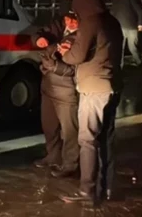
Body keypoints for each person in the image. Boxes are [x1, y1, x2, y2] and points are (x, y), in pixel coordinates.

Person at [57, 0, 123, 205]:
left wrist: (64, 52)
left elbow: (77, 56)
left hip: (94, 88)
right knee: (106, 139)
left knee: (87, 140)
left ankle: (87, 191)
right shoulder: (112, 22)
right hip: (113, 86)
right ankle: (107, 188)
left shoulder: (90, 22)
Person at [33, 12, 79, 179]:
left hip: (67, 90)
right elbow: (39, 34)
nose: (71, 23)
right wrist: (39, 39)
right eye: (68, 19)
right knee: (49, 125)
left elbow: (76, 68)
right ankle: (52, 156)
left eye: (75, 20)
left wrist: (55, 67)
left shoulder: (84, 35)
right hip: (49, 86)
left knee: (70, 130)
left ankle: (70, 164)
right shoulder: (57, 27)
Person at [110, 0, 142, 67]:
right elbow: (112, 12)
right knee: (119, 48)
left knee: (132, 47)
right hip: (119, 28)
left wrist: (140, 24)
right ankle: (120, 65)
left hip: (131, 27)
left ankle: (139, 62)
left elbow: (140, 11)